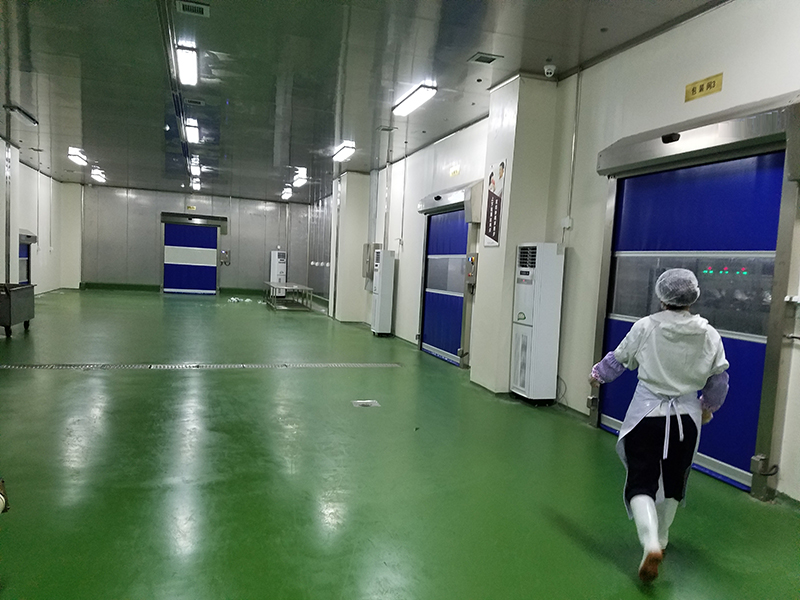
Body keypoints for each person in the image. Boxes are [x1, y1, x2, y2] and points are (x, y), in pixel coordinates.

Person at [589, 268, 729, 583]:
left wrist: (597, 375)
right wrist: (707, 408)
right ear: (693, 297)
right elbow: (719, 380)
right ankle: (662, 539)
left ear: (661, 296)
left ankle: (650, 542)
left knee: (642, 481)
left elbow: (618, 360)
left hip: (646, 415)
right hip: (686, 420)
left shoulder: (646, 326)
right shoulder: (709, 334)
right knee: (674, 481)